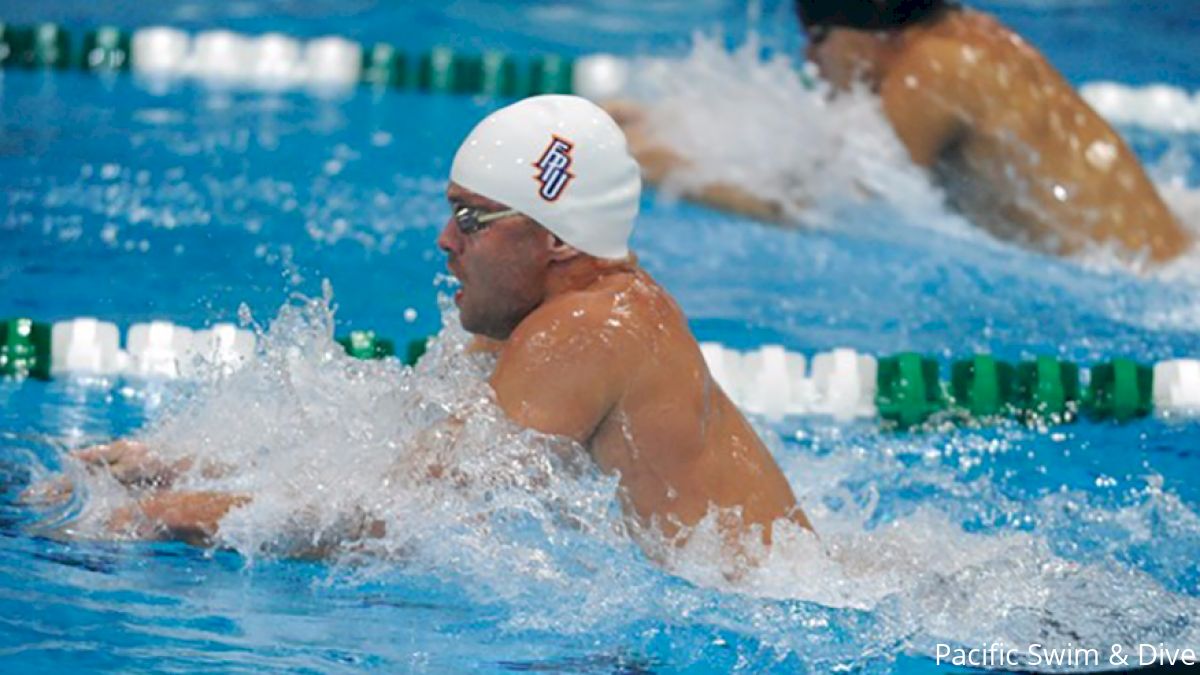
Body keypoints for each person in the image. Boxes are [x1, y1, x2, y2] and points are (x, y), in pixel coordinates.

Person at [51, 95, 812, 554]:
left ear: (556, 237)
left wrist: (174, 518)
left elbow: (403, 517)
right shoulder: (543, 311)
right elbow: (395, 441)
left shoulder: (588, 328)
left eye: (471, 218)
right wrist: (182, 465)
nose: (445, 241)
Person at [611, 0, 1191, 262]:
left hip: (1145, 280)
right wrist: (665, 123)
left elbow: (834, 208)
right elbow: (828, 156)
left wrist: (661, 165)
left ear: (867, 28)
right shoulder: (958, 39)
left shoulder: (928, 75)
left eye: (820, 37)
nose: (812, 61)